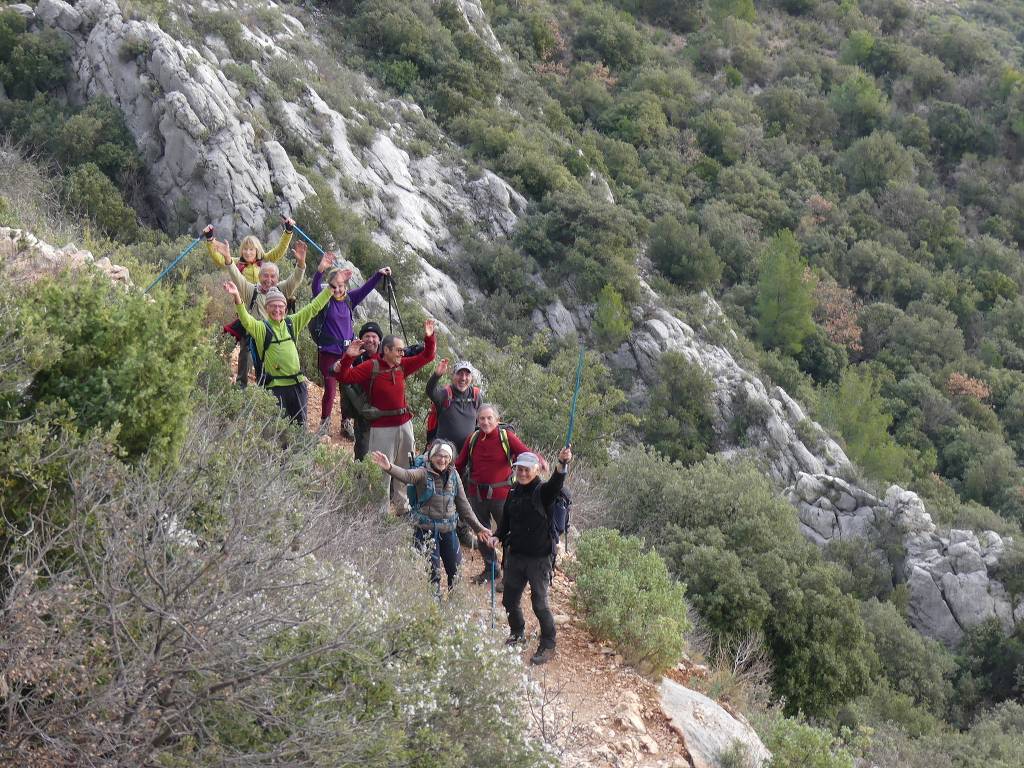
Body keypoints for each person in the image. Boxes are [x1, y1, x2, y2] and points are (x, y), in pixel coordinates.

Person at [335, 318, 437, 511]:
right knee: (382, 470)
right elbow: (344, 376)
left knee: (404, 467)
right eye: (398, 350)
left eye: (402, 350)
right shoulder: (371, 367)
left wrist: (429, 337)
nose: (402, 353)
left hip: (405, 425)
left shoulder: (402, 366)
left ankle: (402, 507)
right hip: (381, 429)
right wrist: (348, 357)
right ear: (387, 350)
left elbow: (428, 356)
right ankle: (380, 513)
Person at [489, 446, 573, 665]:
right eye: (520, 469)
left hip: (539, 558)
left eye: (527, 470)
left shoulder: (543, 492)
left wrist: (562, 464)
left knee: (540, 604)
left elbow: (556, 484)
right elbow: (506, 520)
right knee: (509, 600)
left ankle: (548, 643)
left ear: (536, 470)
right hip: (516, 555)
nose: (523, 473)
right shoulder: (514, 492)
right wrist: (498, 536)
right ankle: (517, 633)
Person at [370, 441, 492, 589]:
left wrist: (479, 528)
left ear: (451, 458)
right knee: (433, 573)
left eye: (446, 456)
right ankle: (435, 605)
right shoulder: (422, 473)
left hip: (449, 531)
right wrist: (389, 467)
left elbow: (464, 507)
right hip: (427, 532)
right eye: (438, 456)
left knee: (456, 571)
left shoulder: (454, 475)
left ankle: (453, 604)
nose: (442, 460)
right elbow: (407, 476)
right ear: (431, 457)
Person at [454, 405, 544, 590]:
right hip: (476, 495)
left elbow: (524, 453)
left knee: (508, 536)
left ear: (497, 419)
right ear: (477, 421)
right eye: (482, 419)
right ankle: (491, 569)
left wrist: (540, 461)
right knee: (482, 533)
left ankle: (510, 576)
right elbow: (459, 464)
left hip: (502, 496)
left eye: (489, 418)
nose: (485, 422)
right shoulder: (472, 439)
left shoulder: (506, 437)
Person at [208, 228, 306, 388]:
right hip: (253, 333)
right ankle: (240, 390)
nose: (269, 279)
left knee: (268, 371)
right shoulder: (251, 290)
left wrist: (301, 262)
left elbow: (296, 278)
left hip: (274, 338)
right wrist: (227, 257)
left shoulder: (282, 289)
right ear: (259, 277)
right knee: (245, 359)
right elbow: (236, 276)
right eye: (265, 276)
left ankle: (267, 394)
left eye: (272, 276)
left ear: (277, 278)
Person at [223, 280, 331, 423]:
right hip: (275, 389)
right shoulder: (261, 328)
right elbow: (246, 320)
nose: (277, 310)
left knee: (299, 431)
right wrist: (237, 296)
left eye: (280, 306)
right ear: (266, 308)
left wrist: (331, 288)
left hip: (297, 386)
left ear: (286, 309)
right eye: (273, 306)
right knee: (276, 433)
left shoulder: (292, 323)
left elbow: (313, 307)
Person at [311, 251, 392, 438]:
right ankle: (324, 423)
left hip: (348, 353)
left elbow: (365, 289)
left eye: (341, 286)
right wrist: (320, 270)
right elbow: (315, 288)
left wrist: (378, 275)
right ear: (330, 287)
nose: (338, 290)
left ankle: (346, 422)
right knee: (330, 389)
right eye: (335, 287)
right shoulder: (324, 301)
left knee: (348, 389)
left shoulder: (348, 299)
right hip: (329, 354)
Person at [206, 217, 295, 284]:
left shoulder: (265, 260)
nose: (248, 253)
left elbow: (280, 249)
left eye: (251, 249)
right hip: (244, 304)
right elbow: (220, 260)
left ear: (257, 250)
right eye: (245, 249)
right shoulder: (237, 263)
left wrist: (288, 231)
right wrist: (210, 239)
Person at [343, 321, 384, 460]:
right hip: (363, 410)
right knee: (362, 449)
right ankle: (360, 478)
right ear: (361, 338)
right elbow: (337, 371)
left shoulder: (387, 355)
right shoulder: (355, 355)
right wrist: (347, 358)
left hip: (384, 411)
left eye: (374, 336)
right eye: (367, 336)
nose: (370, 340)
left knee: (384, 451)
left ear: (379, 339)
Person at [425, 359, 482, 450]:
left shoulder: (475, 395)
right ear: (453, 375)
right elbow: (430, 391)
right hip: (443, 454)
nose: (463, 378)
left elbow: (480, 422)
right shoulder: (445, 394)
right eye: (459, 373)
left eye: (467, 374)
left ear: (471, 377)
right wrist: (437, 375)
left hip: (466, 453)